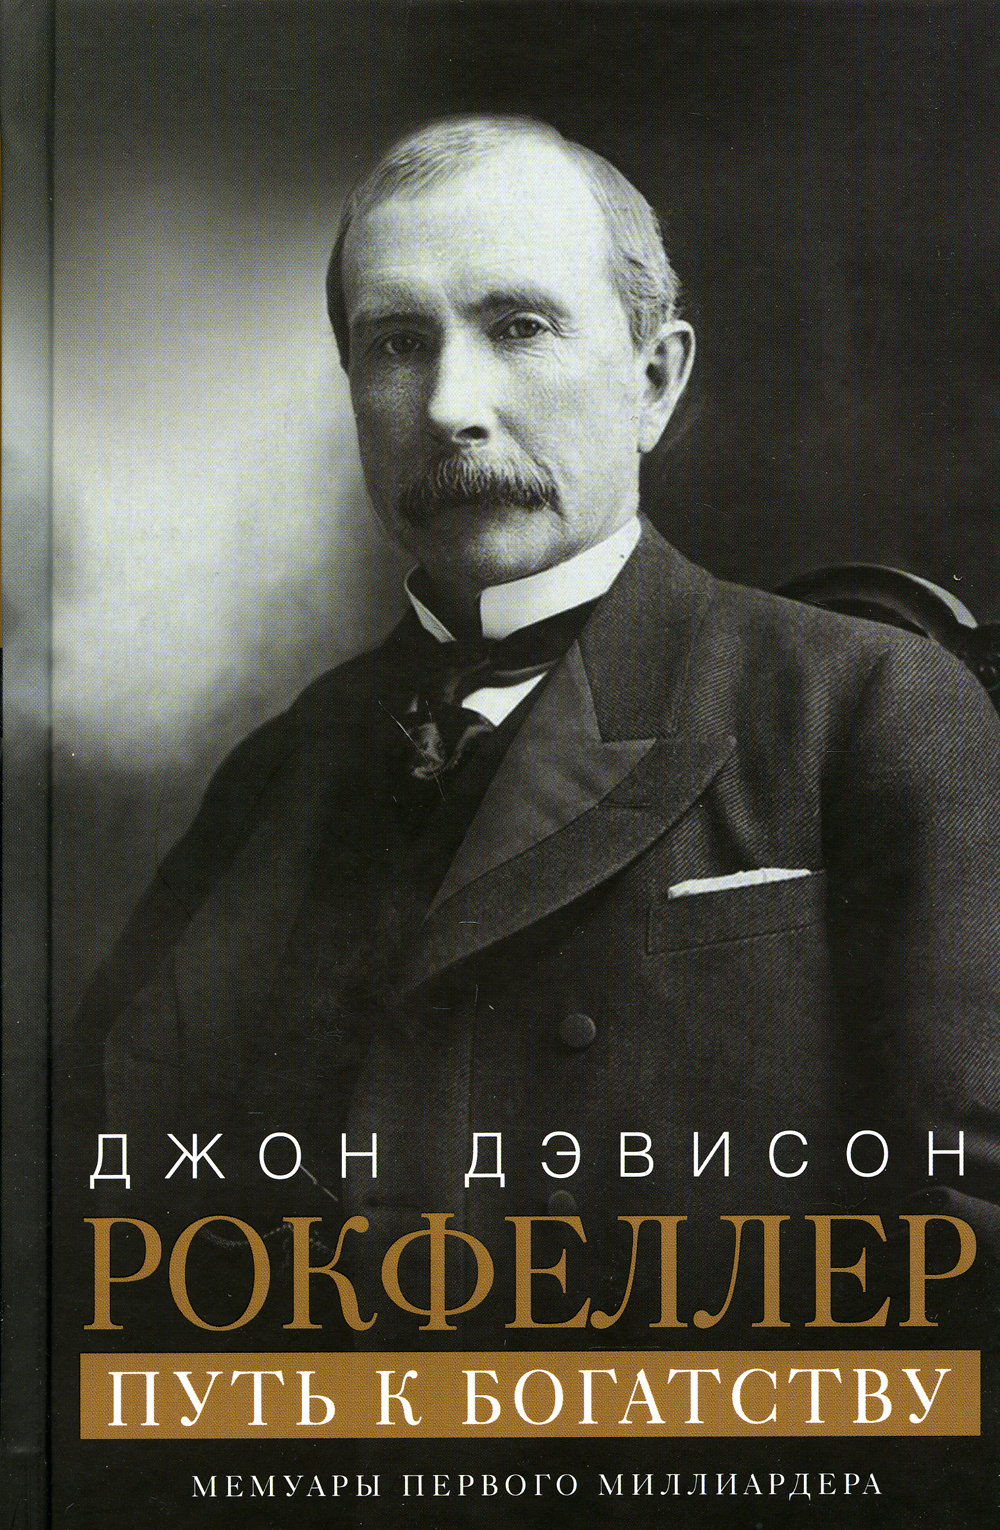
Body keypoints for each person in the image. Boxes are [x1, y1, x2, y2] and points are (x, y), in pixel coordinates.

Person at [87, 115, 1000, 1343]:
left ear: (653, 382)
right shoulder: (279, 768)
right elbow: (109, 1193)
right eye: (397, 343)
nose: (449, 405)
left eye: (518, 327)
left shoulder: (864, 709)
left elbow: (966, 1240)